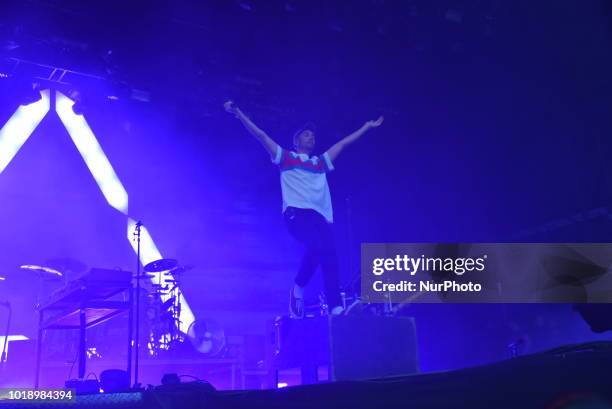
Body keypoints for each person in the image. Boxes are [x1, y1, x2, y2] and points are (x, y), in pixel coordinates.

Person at [224, 100, 383, 318]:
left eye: (313, 135)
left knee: (330, 255)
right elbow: (261, 135)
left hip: (320, 218)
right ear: (297, 140)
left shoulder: (320, 162)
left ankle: (335, 306)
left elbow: (343, 144)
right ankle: (298, 288)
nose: (311, 137)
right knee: (318, 247)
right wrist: (239, 113)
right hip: (296, 214)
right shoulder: (286, 157)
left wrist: (366, 127)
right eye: (306, 134)